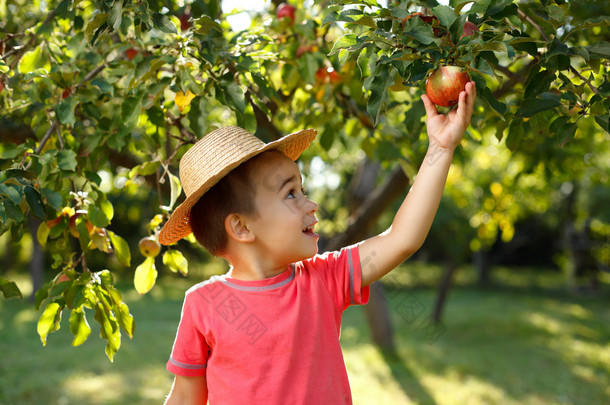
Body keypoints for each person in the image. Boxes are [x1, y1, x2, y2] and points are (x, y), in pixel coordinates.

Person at [160, 82, 476, 404]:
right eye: (290, 194)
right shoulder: (204, 304)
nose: (311, 205)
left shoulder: (323, 280)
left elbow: (402, 239)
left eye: (303, 190)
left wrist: (440, 148)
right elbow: (186, 397)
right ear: (241, 227)